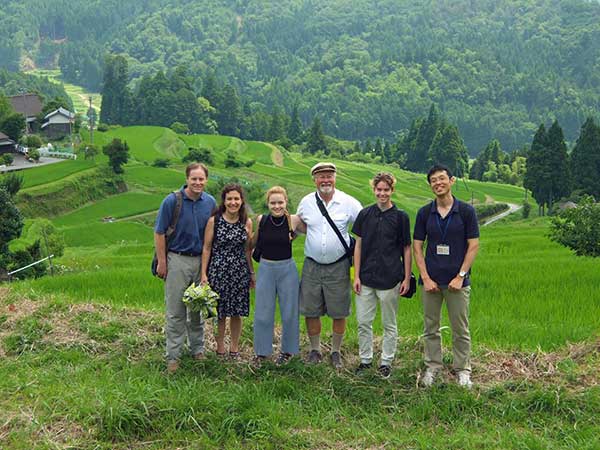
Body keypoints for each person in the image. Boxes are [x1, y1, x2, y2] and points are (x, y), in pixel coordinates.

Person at [413, 164, 480, 388]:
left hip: (457, 282)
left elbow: (473, 246)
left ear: (451, 181)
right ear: (430, 185)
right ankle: (432, 367)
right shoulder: (425, 213)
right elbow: (417, 247)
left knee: (460, 328)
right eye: (433, 180)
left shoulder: (466, 211)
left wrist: (461, 276)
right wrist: (425, 277)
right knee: (430, 327)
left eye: (442, 179)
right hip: (431, 282)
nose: (438, 183)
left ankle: (463, 370)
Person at [296, 162, 362, 369]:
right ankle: (315, 350)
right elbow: (299, 225)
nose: (325, 180)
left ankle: (335, 351)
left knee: (339, 310)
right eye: (321, 176)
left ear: (335, 178)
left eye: (329, 176)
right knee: (311, 309)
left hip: (338, 266)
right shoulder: (306, 202)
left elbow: (363, 227)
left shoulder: (348, 202)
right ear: (314, 179)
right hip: (312, 266)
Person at [154, 163, 216, 374]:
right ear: (187, 179)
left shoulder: (210, 202)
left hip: (201, 261)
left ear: (206, 180)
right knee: (176, 311)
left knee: (198, 308)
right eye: (194, 179)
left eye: (201, 179)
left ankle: (197, 349)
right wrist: (162, 262)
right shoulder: (172, 201)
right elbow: (159, 232)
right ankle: (173, 355)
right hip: (177, 260)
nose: (198, 183)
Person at [352, 172, 412, 378]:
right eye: (379, 189)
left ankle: (386, 361)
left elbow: (406, 248)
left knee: (389, 324)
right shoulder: (365, 214)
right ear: (374, 190)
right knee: (363, 322)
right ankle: (365, 360)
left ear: (392, 190)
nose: (382, 193)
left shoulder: (401, 217)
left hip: (390, 279)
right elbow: (358, 245)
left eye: (386, 190)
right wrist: (356, 275)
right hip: (366, 278)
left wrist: (406, 278)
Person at [252, 186, 306, 365]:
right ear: (268, 203)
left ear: (286, 202)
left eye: (280, 202)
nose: (277, 206)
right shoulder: (261, 219)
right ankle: (262, 352)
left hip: (287, 269)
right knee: (262, 312)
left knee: (290, 312)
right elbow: (253, 242)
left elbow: (312, 230)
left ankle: (288, 351)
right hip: (266, 268)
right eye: (273, 203)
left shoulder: (294, 220)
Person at [201, 183, 254, 359]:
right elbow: (207, 248)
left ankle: (234, 348)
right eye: (229, 199)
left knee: (237, 312)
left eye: (236, 199)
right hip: (218, 270)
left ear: (242, 201)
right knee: (221, 312)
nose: (233, 202)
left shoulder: (246, 222)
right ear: (224, 201)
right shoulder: (214, 221)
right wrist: (204, 274)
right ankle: (220, 347)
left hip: (239, 271)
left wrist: (251, 273)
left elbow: (248, 250)